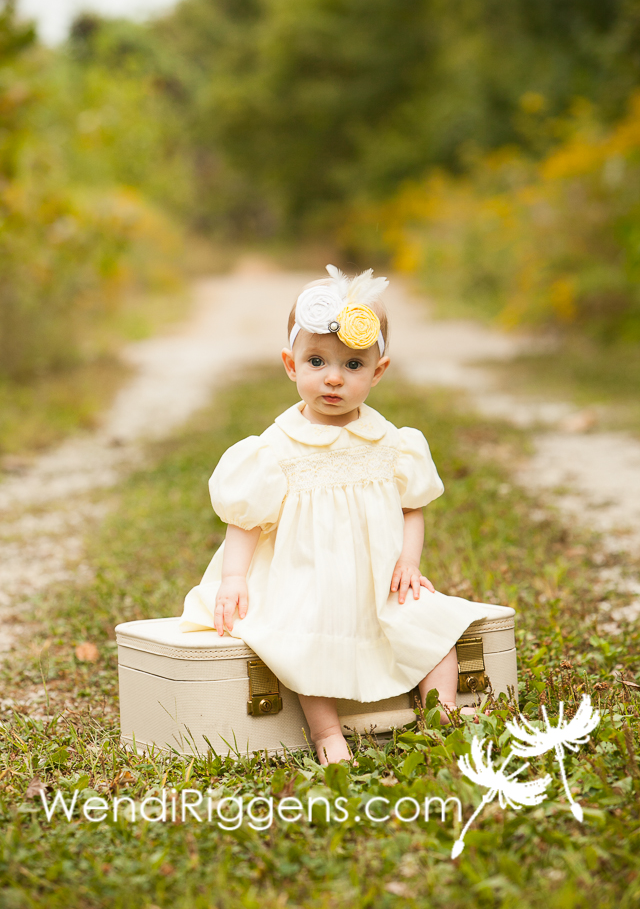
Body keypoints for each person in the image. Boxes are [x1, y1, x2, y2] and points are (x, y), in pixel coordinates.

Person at [180, 265, 498, 764]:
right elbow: (246, 520)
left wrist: (408, 563)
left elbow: (412, 508)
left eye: (353, 365)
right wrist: (233, 578)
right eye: (316, 361)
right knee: (305, 641)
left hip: (377, 578)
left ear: (379, 371)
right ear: (290, 364)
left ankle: (445, 714)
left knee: (436, 626)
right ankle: (328, 734)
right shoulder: (275, 449)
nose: (333, 377)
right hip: (306, 577)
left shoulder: (393, 443)